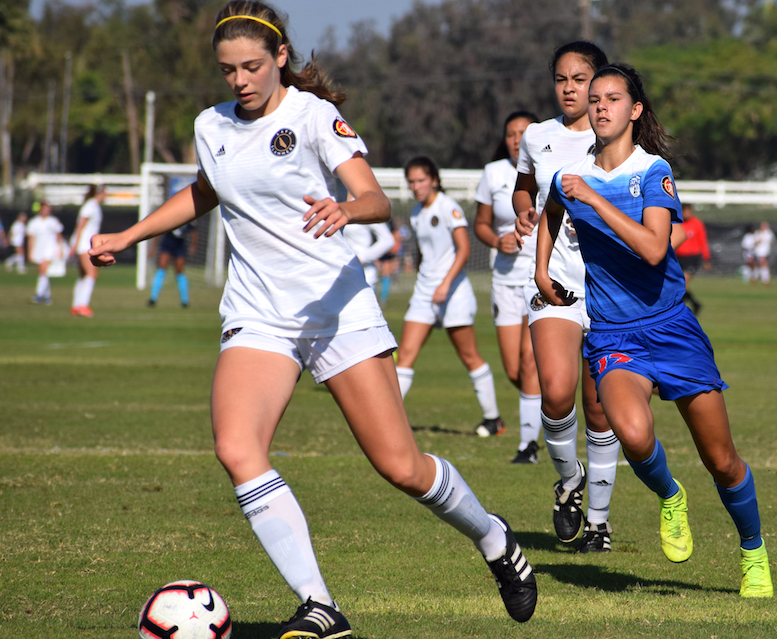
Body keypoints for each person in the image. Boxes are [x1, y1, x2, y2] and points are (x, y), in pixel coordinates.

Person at [87, 4, 537, 636]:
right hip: (259, 314)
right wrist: (128, 235)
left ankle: (494, 538)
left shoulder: (314, 116)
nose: (239, 80)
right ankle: (319, 604)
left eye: (250, 66)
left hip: (336, 308)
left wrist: (347, 210)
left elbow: (377, 198)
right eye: (227, 70)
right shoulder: (209, 125)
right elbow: (206, 190)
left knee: (401, 467)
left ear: (278, 58)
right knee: (237, 448)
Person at [520, 62, 772, 597]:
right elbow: (549, 211)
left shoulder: (652, 171)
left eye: (612, 98)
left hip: (672, 328)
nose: (600, 106)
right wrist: (542, 271)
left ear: (634, 111)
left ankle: (752, 551)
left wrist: (594, 199)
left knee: (722, 461)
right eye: (595, 99)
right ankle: (670, 495)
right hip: (612, 334)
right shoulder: (573, 172)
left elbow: (656, 248)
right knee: (633, 436)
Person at [512, 41, 621, 554]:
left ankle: (598, 522)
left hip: (609, 289)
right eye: (562, 79)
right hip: (553, 280)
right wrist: (522, 212)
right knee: (555, 393)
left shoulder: (625, 142)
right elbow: (525, 184)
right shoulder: (537, 136)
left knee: (601, 411)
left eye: (581, 79)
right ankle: (570, 480)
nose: (571, 88)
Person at [395, 156, 506, 438]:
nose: (416, 186)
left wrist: (445, 284)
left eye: (421, 180)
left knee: (469, 356)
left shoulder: (449, 207)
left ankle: (493, 420)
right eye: (411, 182)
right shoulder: (417, 212)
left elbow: (464, 249)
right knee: (404, 355)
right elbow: (425, 253)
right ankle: (390, 422)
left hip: (453, 293)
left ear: (433, 179)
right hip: (424, 292)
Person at [474, 110, 543, 463]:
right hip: (504, 280)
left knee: (532, 362)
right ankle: (549, 404)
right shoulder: (493, 173)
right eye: (511, 134)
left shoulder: (547, 168)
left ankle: (528, 445)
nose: (517, 139)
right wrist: (496, 241)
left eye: (523, 133)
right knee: (514, 369)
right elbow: (481, 224)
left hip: (540, 277)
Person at [68, 185, 107, 317]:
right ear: (99, 192)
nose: (105, 195)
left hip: (85, 245)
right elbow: (80, 226)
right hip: (85, 245)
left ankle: (75, 306)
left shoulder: (93, 206)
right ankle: (83, 305)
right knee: (92, 275)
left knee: (83, 276)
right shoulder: (90, 206)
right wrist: (74, 245)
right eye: (104, 192)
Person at [148, 222, 199, 307]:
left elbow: (194, 233)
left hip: (180, 245)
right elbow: (159, 231)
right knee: (162, 269)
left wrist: (193, 246)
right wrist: (153, 247)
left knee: (179, 272)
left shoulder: (188, 217)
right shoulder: (172, 215)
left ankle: (185, 301)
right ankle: (153, 298)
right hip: (167, 244)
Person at [674, 202, 711, 315]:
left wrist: (706, 259)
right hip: (678, 257)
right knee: (678, 284)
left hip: (692, 258)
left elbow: (702, 241)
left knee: (684, 282)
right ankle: (695, 303)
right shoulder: (677, 223)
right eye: (685, 211)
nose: (687, 213)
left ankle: (679, 309)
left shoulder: (697, 224)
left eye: (689, 211)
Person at [26, 200, 64, 305]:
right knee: (42, 273)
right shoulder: (34, 222)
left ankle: (38, 294)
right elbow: (31, 238)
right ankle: (47, 296)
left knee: (43, 271)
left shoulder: (53, 221)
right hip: (38, 250)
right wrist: (30, 252)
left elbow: (58, 237)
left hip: (50, 249)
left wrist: (60, 249)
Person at [341, 219, 394, 289]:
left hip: (364, 275)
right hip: (339, 273)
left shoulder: (365, 209)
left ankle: (384, 297)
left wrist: (360, 259)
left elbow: (387, 240)